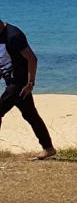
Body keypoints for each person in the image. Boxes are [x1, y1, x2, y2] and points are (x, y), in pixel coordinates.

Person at [0, 19, 56, 159]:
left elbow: (32, 59)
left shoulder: (14, 35)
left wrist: (30, 83)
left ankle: (48, 147)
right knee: (30, 114)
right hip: (11, 80)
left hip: (20, 83)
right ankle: (48, 148)